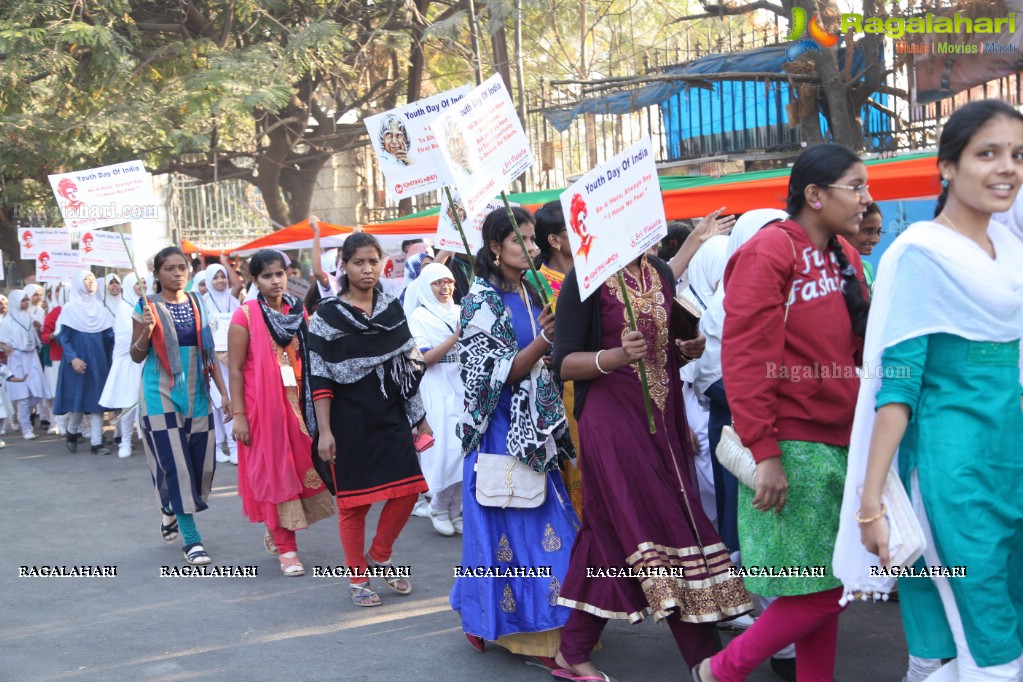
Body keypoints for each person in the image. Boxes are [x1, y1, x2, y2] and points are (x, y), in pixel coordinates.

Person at [839, 99, 1023, 681]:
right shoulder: (922, 252)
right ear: (946, 167)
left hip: (1010, 462)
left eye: (1018, 155)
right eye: (987, 153)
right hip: (953, 477)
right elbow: (897, 384)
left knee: (993, 626)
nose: (1007, 168)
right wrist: (871, 508)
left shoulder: (1012, 251)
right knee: (990, 639)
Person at [696, 144, 870, 682]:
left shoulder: (844, 252)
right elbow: (746, 358)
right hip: (792, 445)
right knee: (831, 587)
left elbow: (858, 349)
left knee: (822, 585)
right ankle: (721, 669)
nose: (867, 199)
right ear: (814, 195)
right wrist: (765, 452)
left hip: (842, 439)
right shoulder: (771, 250)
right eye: (856, 186)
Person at [552, 245, 751, 681]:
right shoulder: (585, 277)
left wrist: (687, 348)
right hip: (611, 424)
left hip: (663, 420)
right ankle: (708, 665)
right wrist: (616, 357)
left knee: (610, 534)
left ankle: (573, 650)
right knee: (662, 528)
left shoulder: (658, 271)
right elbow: (562, 362)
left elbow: (662, 351)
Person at [452, 207, 578, 665]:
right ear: (493, 248)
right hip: (500, 431)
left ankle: (486, 612)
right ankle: (533, 633)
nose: (531, 247)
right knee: (517, 532)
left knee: (546, 530)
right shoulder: (479, 301)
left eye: (532, 239)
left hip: (539, 427)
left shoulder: (536, 289)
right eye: (518, 240)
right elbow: (495, 375)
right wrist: (545, 340)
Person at [307, 232, 431, 606]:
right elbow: (320, 375)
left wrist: (418, 416)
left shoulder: (392, 308)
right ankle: (357, 579)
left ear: (383, 264)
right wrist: (325, 432)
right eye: (358, 262)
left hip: (390, 411)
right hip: (347, 419)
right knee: (354, 504)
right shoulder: (327, 316)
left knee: (409, 489)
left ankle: (379, 554)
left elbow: (408, 363)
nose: (367, 269)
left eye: (373, 261)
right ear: (343, 266)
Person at [229, 249, 333, 576]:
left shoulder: (296, 311)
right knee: (275, 472)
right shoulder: (244, 316)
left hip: (299, 405)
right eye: (267, 276)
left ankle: (276, 527)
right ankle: (287, 549)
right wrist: (240, 416)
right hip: (263, 410)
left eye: (280, 274)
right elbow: (234, 370)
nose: (275, 281)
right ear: (255, 280)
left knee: (298, 469)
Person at [130, 246, 232, 566]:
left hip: (197, 390)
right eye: (170, 269)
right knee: (176, 464)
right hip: (158, 391)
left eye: (182, 267)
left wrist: (224, 394)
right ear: (157, 274)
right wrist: (146, 330)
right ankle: (192, 540)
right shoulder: (145, 305)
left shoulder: (197, 301)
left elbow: (209, 352)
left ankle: (170, 507)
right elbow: (136, 355)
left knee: (201, 466)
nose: (178, 273)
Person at [527, 200, 584, 520]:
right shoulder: (535, 283)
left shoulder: (595, 276)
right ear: (554, 240)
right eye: (573, 228)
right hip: (559, 393)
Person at [403, 263, 464, 536]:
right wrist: (457, 337)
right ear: (426, 286)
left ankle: (455, 508)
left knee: (466, 448)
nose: (445, 288)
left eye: (449, 281)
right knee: (446, 448)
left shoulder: (462, 311)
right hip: (436, 385)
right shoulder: (419, 316)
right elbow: (425, 358)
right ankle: (439, 506)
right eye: (438, 283)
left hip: (462, 382)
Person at [54, 271, 115, 455]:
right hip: (77, 362)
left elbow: (108, 336)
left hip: (98, 362)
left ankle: (96, 443)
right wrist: (73, 358)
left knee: (97, 401)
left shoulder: (100, 308)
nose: (90, 282)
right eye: (86, 279)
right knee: (79, 403)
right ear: (78, 283)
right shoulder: (71, 308)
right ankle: (72, 431)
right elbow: (63, 337)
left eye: (92, 279)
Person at [99, 274, 145, 459]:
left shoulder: (147, 304)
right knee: (128, 403)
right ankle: (125, 441)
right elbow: (127, 334)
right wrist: (146, 331)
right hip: (129, 360)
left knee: (147, 401)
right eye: (137, 283)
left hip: (145, 359)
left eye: (143, 283)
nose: (141, 286)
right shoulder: (125, 306)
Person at [0, 290, 52, 440]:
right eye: (24, 300)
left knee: (37, 392)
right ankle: (26, 428)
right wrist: (4, 347)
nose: (27, 302)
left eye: (27, 299)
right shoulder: (7, 321)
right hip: (16, 357)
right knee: (23, 395)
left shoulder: (27, 317)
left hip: (31, 357)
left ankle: (20, 414)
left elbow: (34, 338)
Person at [203, 262, 241, 465]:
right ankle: (218, 447)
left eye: (223, 276)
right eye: (216, 277)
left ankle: (234, 446)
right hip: (212, 362)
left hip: (233, 360)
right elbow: (201, 333)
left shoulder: (234, 301)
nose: (220, 281)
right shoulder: (203, 302)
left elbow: (242, 327)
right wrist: (216, 354)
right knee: (216, 404)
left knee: (232, 401)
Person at [40, 282, 70, 436]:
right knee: (56, 392)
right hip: (57, 358)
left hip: (74, 358)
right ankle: (55, 421)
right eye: (57, 290)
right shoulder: (55, 312)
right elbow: (44, 336)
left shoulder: (77, 310)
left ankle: (73, 424)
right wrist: (55, 334)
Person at [846, 203, 883, 290]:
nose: (876, 239)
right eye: (868, 231)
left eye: (878, 232)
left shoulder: (867, 268)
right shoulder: (830, 270)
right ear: (846, 229)